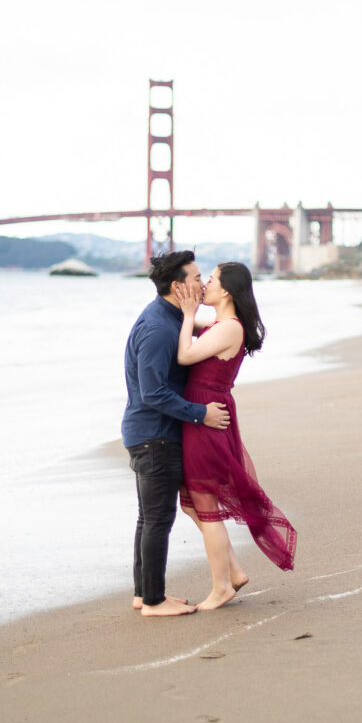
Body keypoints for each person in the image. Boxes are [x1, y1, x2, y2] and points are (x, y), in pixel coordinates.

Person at [176, 262, 297, 610]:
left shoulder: (229, 328)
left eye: (210, 280)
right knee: (193, 504)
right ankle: (235, 572)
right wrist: (184, 305)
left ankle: (221, 588)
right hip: (204, 411)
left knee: (205, 505)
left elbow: (185, 354)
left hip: (207, 416)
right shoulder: (219, 324)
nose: (206, 285)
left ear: (226, 290)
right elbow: (185, 320)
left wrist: (188, 315)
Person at [122, 251, 231, 617]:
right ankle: (154, 601)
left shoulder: (170, 319)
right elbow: (152, 391)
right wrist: (200, 414)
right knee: (157, 519)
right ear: (177, 286)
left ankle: (144, 594)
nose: (202, 284)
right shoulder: (158, 327)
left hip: (150, 433)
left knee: (148, 517)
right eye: (197, 277)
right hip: (155, 435)